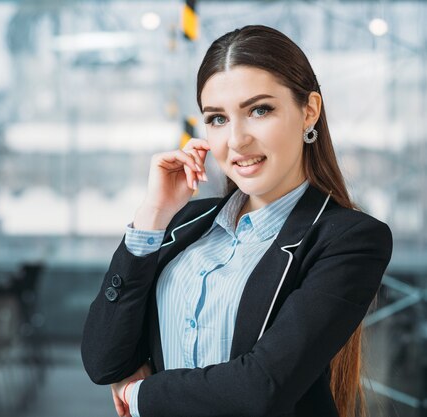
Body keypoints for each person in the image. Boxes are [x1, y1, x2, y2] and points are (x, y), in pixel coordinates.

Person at [81, 24, 393, 417]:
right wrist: (152, 215)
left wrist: (140, 395)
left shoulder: (350, 239)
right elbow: (102, 360)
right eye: (217, 119)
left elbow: (260, 388)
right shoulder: (186, 224)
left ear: (309, 111)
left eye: (259, 110)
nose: (236, 140)